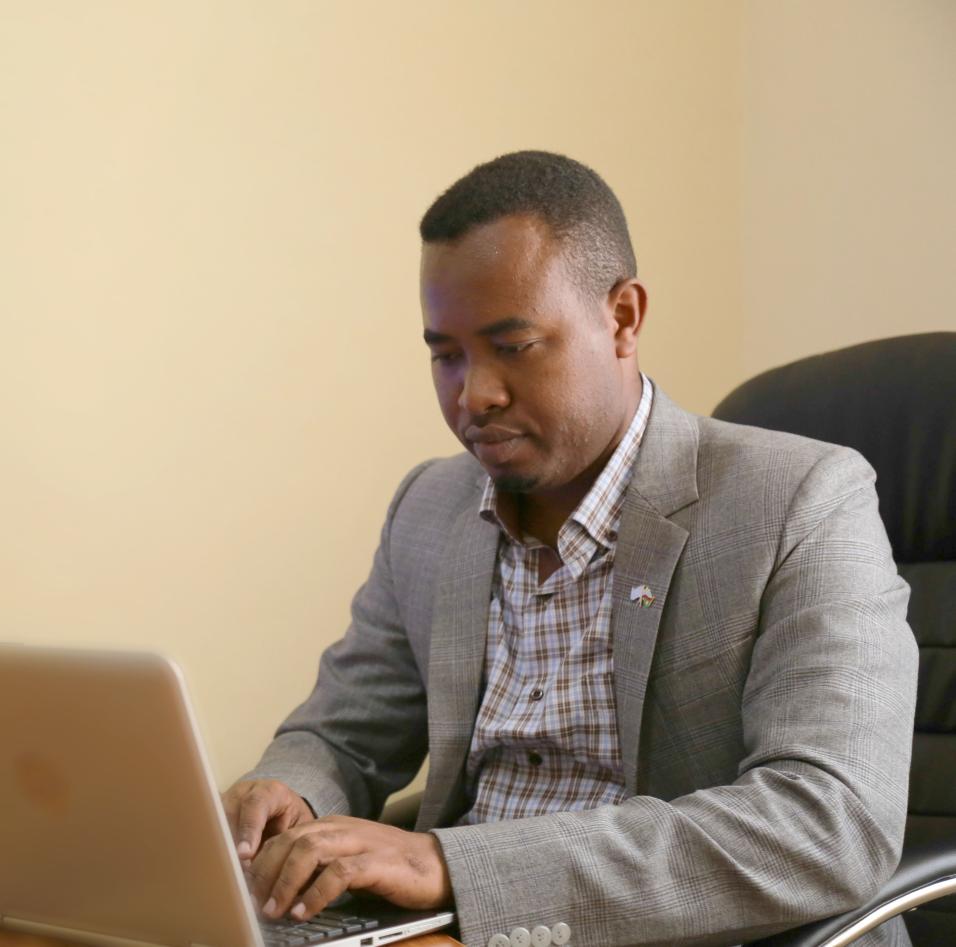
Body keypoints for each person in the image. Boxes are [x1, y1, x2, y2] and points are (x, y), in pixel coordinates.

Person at [222, 151, 917, 946]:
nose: (475, 394)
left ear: (622, 317)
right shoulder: (429, 508)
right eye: (446, 355)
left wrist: (452, 863)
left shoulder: (800, 499)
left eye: (513, 346)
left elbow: (829, 823)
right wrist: (288, 791)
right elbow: (341, 734)